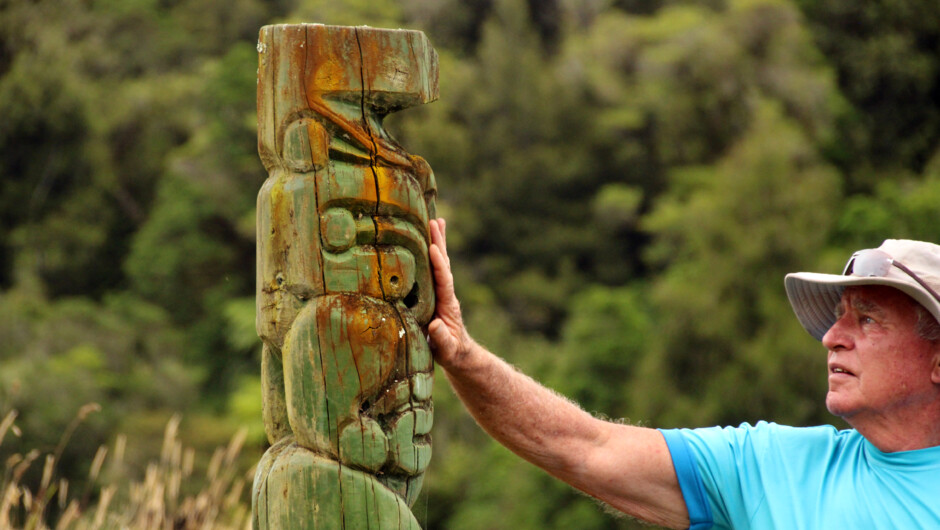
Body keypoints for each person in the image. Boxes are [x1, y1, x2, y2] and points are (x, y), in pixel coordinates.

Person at [425, 218, 940, 529]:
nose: (831, 337)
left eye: (867, 318)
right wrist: (463, 355)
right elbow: (586, 448)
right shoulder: (772, 467)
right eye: (838, 316)